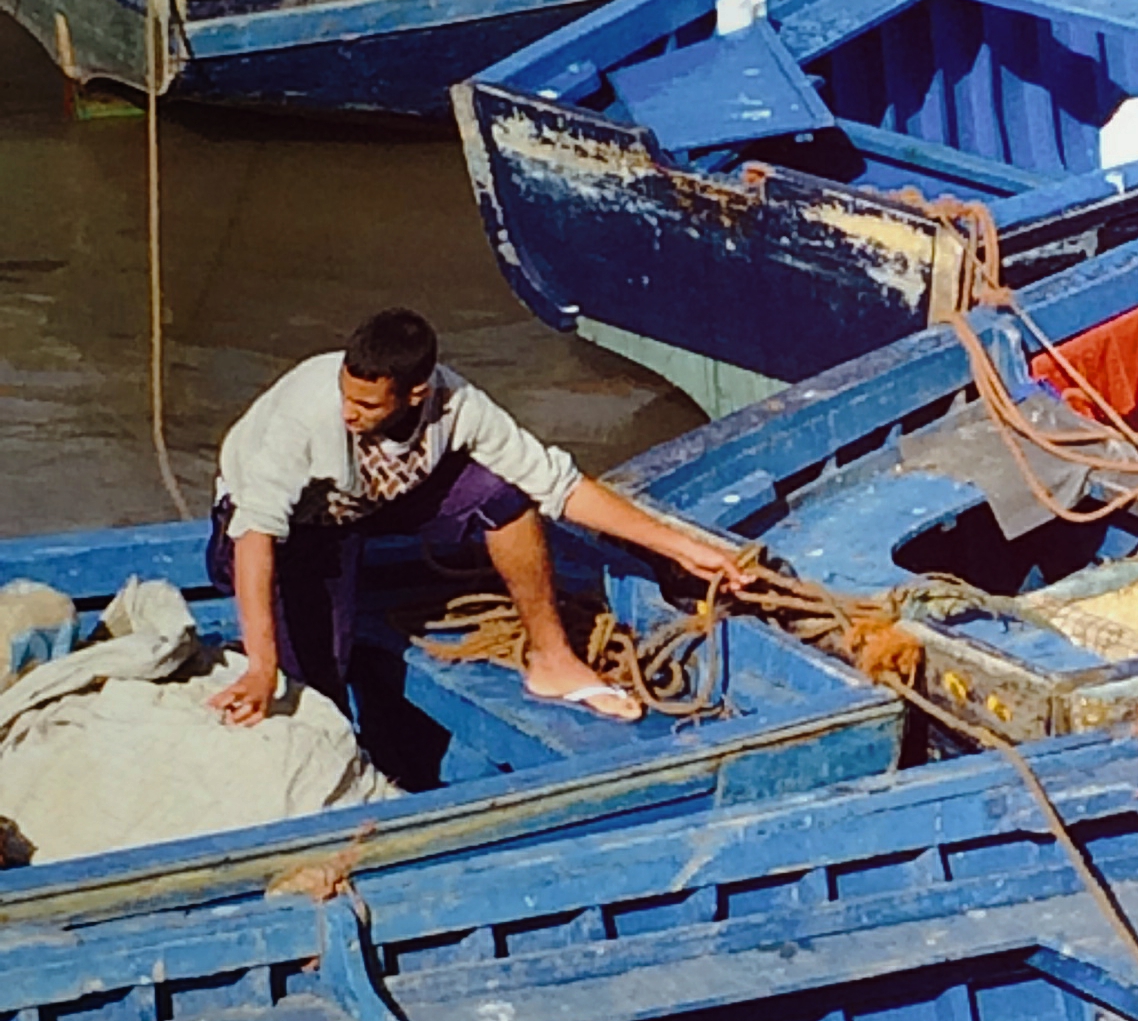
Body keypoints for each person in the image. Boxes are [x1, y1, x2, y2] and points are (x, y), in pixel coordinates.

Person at [206, 309, 745, 730]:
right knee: (314, 686)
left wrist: (682, 547)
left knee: (503, 495)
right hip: (294, 526)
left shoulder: (457, 404)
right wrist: (262, 666)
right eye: (347, 397)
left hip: (374, 504)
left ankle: (553, 660)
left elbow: (557, 484)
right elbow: (256, 532)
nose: (351, 413)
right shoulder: (307, 412)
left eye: (368, 406)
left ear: (416, 394)